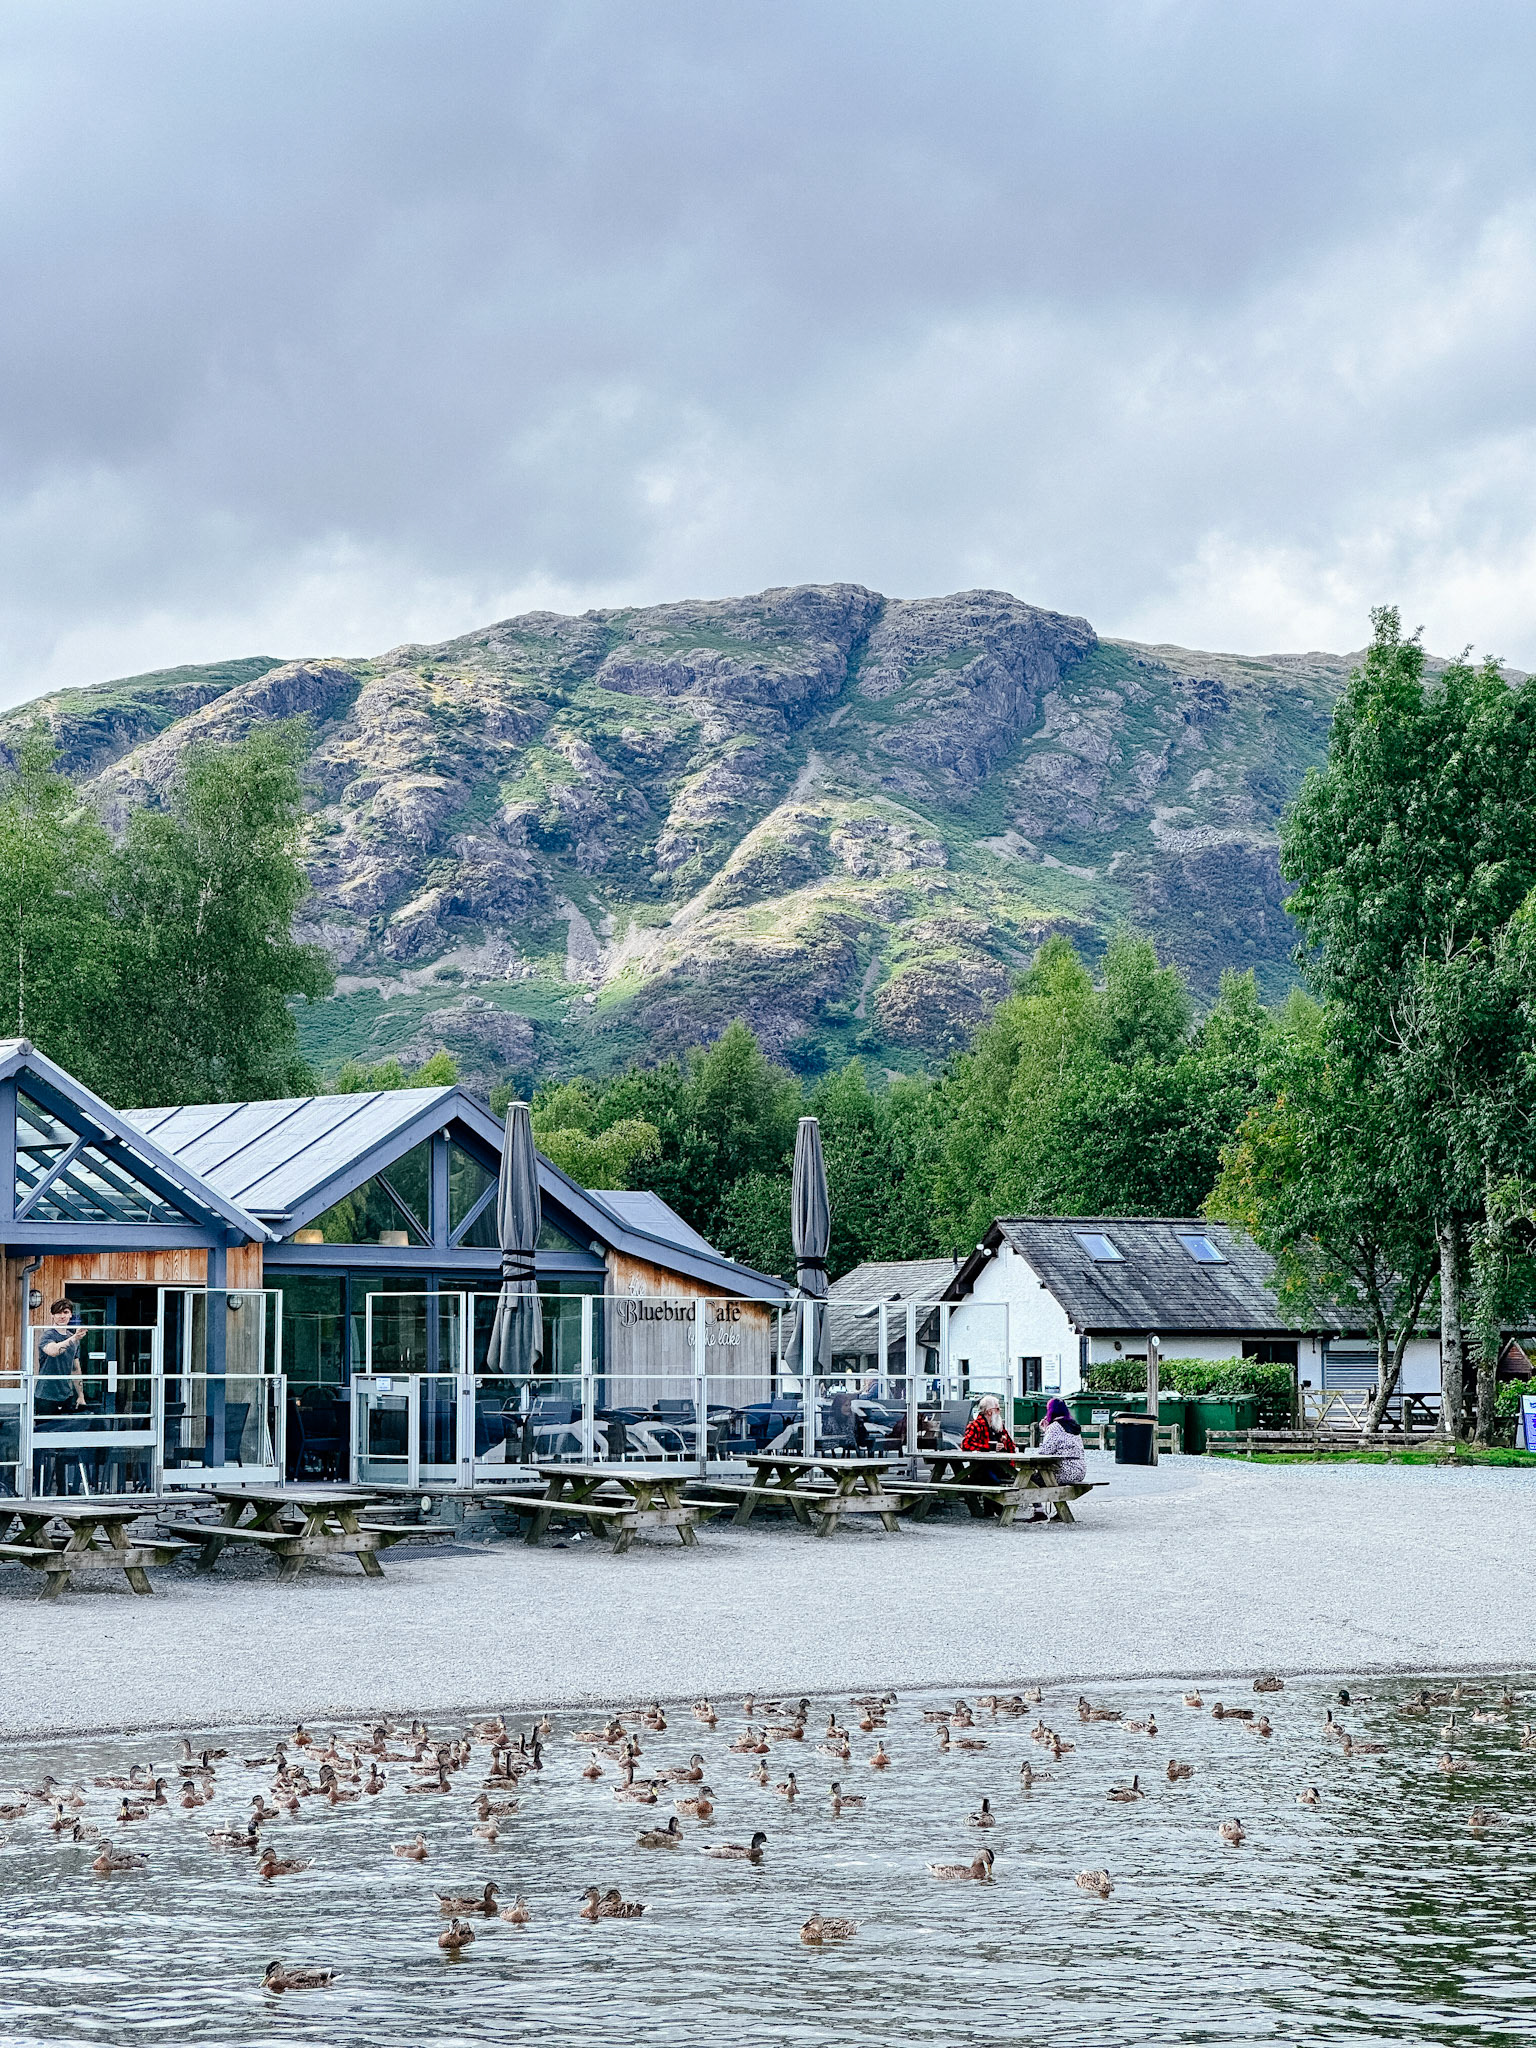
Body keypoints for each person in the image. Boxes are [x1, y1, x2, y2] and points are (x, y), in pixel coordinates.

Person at [34, 1300, 86, 1415]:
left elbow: (75, 1369)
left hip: (67, 1395)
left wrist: (81, 1396)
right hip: (46, 1395)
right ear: (52, 1315)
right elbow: (52, 1351)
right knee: (44, 1431)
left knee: (64, 1431)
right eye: (58, 1313)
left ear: (70, 1314)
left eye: (65, 1312)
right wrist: (74, 1338)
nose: (62, 1316)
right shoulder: (47, 1335)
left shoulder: (72, 1338)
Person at [960, 1394, 1016, 1485]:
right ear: (989, 1412)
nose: (999, 1411)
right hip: (982, 1470)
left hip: (1003, 1468)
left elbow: (1011, 1446)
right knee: (993, 1481)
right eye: (997, 1409)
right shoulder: (975, 1426)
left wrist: (1004, 1445)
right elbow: (966, 1444)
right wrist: (989, 1447)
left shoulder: (998, 1426)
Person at [1037, 1397, 1087, 1485]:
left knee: (1031, 1479)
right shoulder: (1073, 1425)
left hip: (1064, 1472)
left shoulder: (1055, 1427)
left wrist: (1046, 1431)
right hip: (1080, 1471)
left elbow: (1044, 1453)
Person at [823, 1390, 870, 1455]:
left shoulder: (855, 1418)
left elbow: (862, 1436)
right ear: (838, 1407)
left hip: (853, 1451)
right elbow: (827, 1437)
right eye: (846, 1405)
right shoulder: (830, 1420)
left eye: (849, 1405)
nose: (849, 1408)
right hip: (833, 1452)